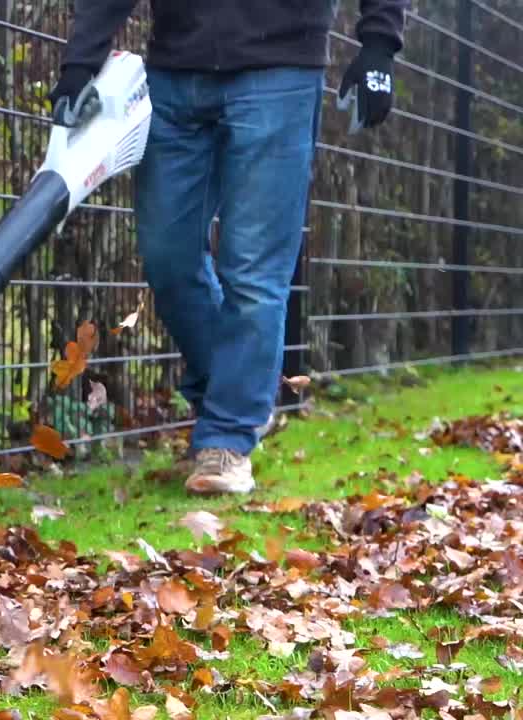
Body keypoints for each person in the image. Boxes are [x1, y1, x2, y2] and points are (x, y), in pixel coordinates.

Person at [49, 1, 407, 494]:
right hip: (176, 68)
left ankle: (227, 439)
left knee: (254, 270)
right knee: (167, 257)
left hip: (280, 66)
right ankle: (235, 396)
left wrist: (379, 45)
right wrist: (80, 63)